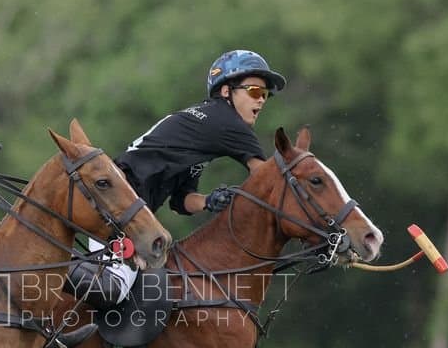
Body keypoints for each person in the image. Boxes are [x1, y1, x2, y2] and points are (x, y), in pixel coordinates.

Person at [63, 49, 286, 311]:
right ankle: (45, 264)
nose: (261, 101)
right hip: (115, 205)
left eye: (265, 95)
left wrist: (210, 201)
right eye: (254, 92)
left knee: (130, 292)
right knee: (115, 288)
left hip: (127, 207)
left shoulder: (204, 134)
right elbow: (267, 178)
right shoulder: (226, 123)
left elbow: (181, 200)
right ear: (226, 91)